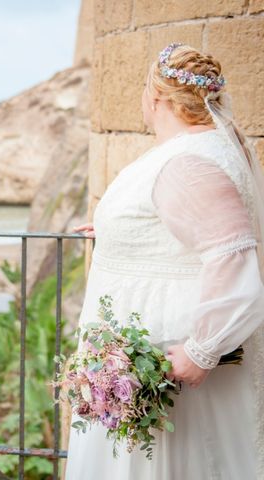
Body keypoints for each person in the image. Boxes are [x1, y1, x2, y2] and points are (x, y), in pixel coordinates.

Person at [64, 43, 264, 479]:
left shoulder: (189, 162)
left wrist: (201, 351)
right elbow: (184, 226)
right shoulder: (203, 149)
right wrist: (120, 231)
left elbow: (234, 263)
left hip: (165, 359)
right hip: (150, 351)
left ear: (158, 98)